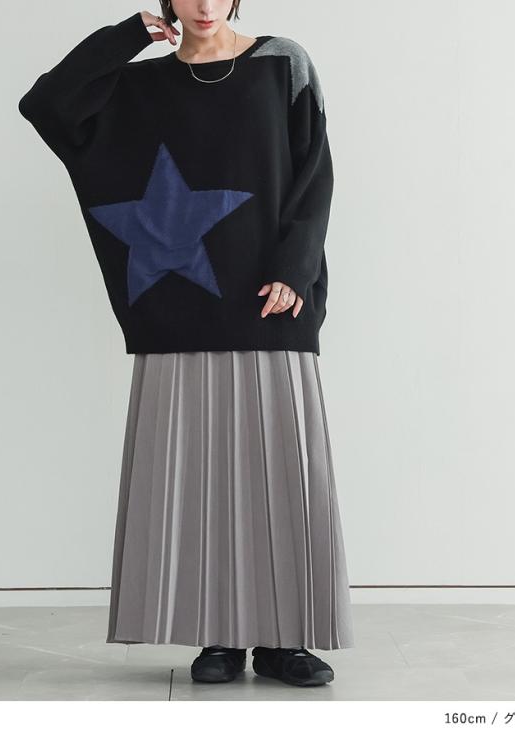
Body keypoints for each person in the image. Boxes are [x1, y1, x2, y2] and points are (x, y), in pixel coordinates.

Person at [18, 0, 355, 688]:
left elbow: (314, 170)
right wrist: (123, 39)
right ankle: (219, 636)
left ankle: (286, 640)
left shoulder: (280, 63)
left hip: (271, 297)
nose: (203, 5)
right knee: (201, 478)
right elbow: (47, 106)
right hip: (178, 305)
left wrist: (294, 268)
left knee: (284, 472)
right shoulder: (138, 85)